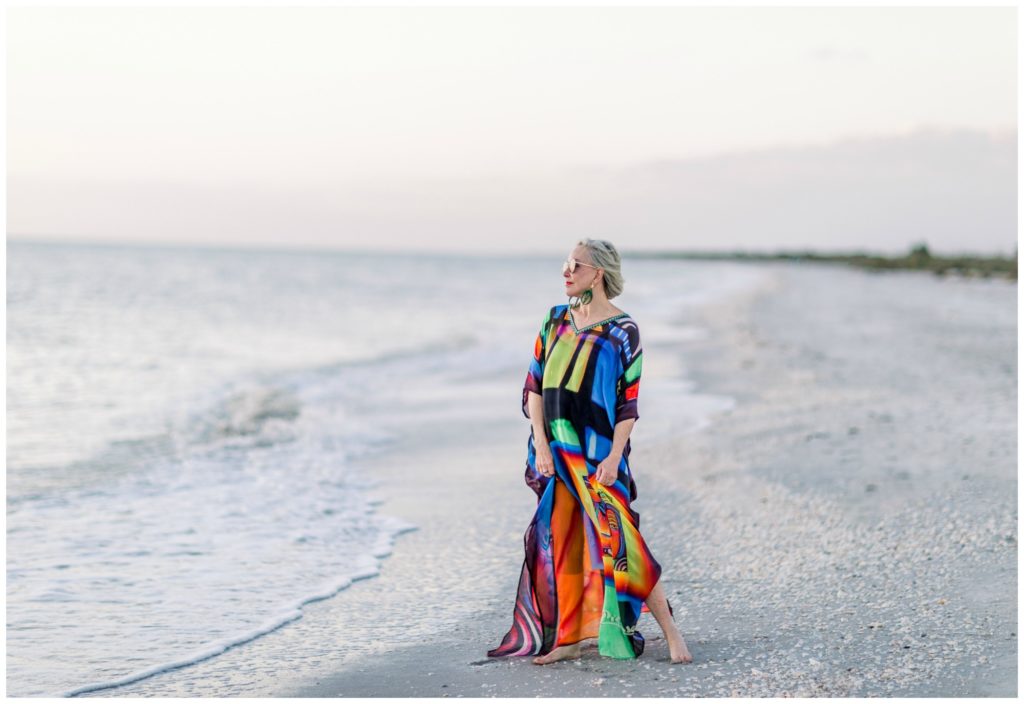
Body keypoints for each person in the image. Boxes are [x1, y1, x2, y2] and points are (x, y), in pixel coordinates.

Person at [487, 238, 693, 665]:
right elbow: (534, 388)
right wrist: (542, 445)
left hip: (599, 456)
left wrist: (615, 456)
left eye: (574, 265)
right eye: (565, 263)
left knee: (621, 542)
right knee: (563, 540)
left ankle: (672, 634)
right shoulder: (555, 319)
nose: (566, 271)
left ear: (597, 273)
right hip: (556, 450)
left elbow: (627, 405)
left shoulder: (623, 330)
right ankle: (567, 638)